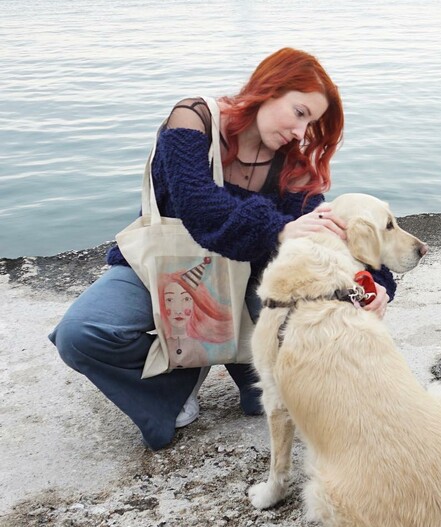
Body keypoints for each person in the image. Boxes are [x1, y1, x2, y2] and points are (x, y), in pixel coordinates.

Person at [49, 48, 397, 450]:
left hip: (242, 288)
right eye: (300, 113)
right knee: (79, 335)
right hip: (167, 269)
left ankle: (225, 355)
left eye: (311, 124)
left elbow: (334, 235)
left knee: (266, 401)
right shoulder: (193, 119)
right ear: (269, 88)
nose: (302, 133)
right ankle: (176, 381)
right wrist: (281, 229)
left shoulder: (292, 167)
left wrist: (377, 286)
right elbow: (199, 208)